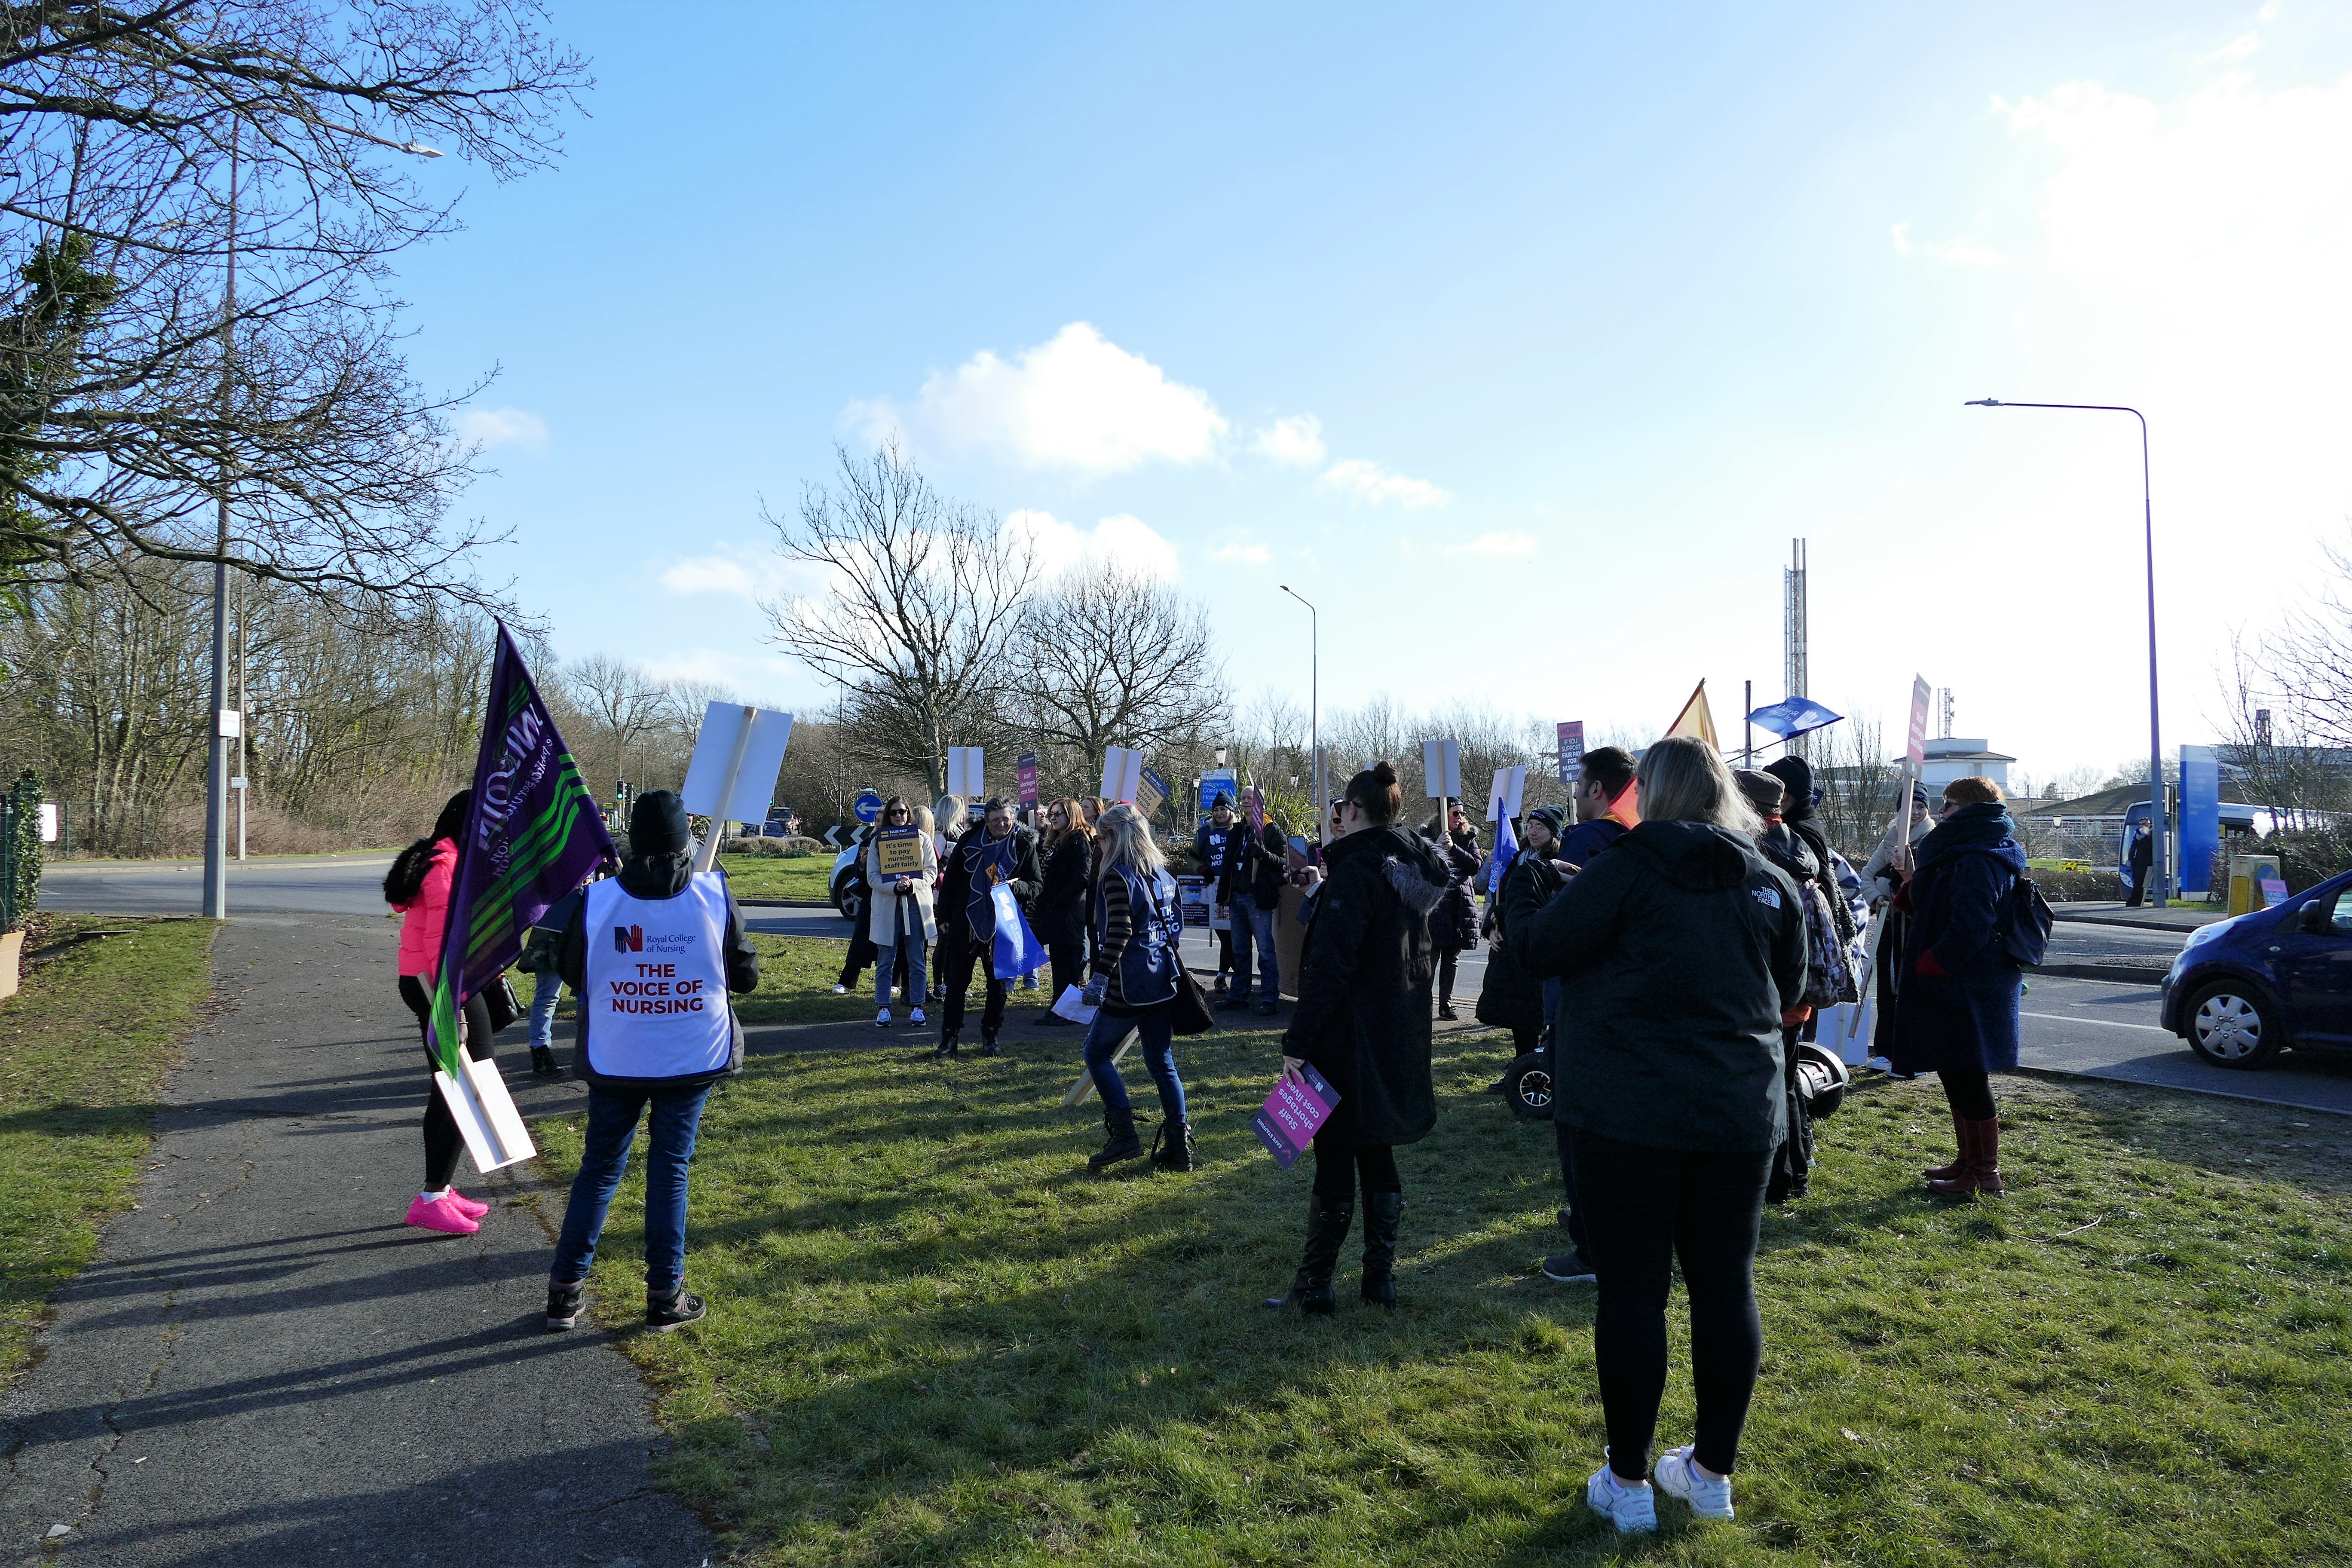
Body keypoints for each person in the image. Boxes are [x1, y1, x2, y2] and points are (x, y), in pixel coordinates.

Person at [1509, 736, 1806, 1533]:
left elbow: (1539, 947)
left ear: (1651, 794)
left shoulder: (1626, 867)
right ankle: (1709, 1471)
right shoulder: (1769, 878)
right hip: (1736, 1113)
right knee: (1723, 1285)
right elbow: (1792, 986)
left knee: (1634, 1293)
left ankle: (1630, 1478)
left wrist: (1532, 894)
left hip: (1627, 1113)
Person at [546, 790, 761, 1333]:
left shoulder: (596, 901)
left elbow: (573, 973)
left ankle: (564, 1296)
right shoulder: (715, 895)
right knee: (670, 1170)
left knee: (598, 1171)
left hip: (618, 1053)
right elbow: (746, 977)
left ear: (632, 841)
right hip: (689, 1054)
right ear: (684, 842)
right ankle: (665, 1296)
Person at [1266, 761, 1451, 1315]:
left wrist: (1297, 1044)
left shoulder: (1360, 870)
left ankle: (1317, 1285)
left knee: (1337, 1154)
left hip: (1348, 1037)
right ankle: (1379, 1281)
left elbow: (1331, 968)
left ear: (1354, 811)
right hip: (1395, 1033)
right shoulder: (1407, 870)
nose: (1337, 821)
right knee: (1376, 1150)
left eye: (1341, 811)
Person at [1891, 777, 2027, 1197]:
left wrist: (1934, 962)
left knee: (1969, 1076)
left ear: (1966, 809)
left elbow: (1972, 923)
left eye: (1948, 804)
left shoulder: (1981, 853)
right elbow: (1940, 901)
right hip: (1957, 982)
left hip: (1969, 983)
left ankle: (1986, 1175)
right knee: (1954, 1070)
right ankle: (1967, 1162)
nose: (1942, 812)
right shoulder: (1965, 847)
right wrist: (1911, 879)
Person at [384, 790, 499, 1237]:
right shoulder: (447, 866)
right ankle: (431, 1198)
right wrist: (451, 1010)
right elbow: (441, 945)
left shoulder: (442, 857)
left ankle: (442, 1190)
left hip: (435, 985)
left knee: (454, 1086)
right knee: (462, 1086)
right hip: (442, 988)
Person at [1079, 804, 1195, 1172]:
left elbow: (1118, 932)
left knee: (1097, 1054)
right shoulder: (1162, 874)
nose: (1098, 845)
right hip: (1164, 979)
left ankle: (1125, 1136)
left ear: (1115, 837)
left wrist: (1099, 978)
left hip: (1128, 982)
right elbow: (1175, 928)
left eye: (1100, 838)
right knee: (1162, 1062)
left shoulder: (1117, 876)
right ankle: (1179, 1145)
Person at [1736, 769, 1828, 1205]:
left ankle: (1783, 1180)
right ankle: (1797, 1169)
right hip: (1793, 991)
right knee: (1786, 1082)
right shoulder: (1796, 844)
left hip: (1771, 993)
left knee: (1776, 1087)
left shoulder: (1761, 853)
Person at [935, 795, 1044, 1057]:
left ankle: (991, 1036)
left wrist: (1014, 887)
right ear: (986, 820)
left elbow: (1037, 885)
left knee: (998, 986)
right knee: (957, 983)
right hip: (967, 921)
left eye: (1006, 819)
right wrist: (944, 916)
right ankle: (949, 1039)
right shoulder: (970, 840)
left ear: (1013, 818)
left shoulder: (1023, 844)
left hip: (1003, 925)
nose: (1001, 825)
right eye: (995, 821)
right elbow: (951, 882)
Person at [1475, 803, 1571, 1083]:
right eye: (1530, 826)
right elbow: (1504, 900)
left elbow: (1537, 903)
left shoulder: (1558, 862)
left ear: (1554, 832)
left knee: (1538, 1015)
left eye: (1540, 827)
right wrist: (1491, 926)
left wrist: (1502, 916)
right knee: (1518, 1015)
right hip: (1512, 947)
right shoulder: (1519, 858)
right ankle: (1521, 1067)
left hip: (1538, 943)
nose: (1532, 831)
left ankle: (1536, 1071)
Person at [1862, 783, 1935, 1072]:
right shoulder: (1892, 836)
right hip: (1890, 924)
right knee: (1887, 987)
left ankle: (1915, 1053)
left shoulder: (1931, 839)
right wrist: (1877, 897)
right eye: (1909, 807)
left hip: (1917, 927)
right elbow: (1867, 874)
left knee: (1912, 990)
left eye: (1920, 807)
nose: (1915, 813)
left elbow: (1926, 885)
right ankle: (1886, 1050)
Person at [866, 796, 937, 1028]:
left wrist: (913, 885)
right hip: (888, 906)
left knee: (917, 959)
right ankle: (883, 1008)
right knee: (886, 960)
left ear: (909, 814)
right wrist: (894, 888)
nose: (899, 816)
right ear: (888, 815)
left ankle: (917, 1007)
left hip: (916, 905)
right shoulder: (878, 841)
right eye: (894, 813)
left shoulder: (922, 839)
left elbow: (931, 872)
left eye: (903, 812)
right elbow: (873, 877)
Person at [518, 872, 590, 1078]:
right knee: (548, 996)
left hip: (581, 926)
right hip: (552, 926)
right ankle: (540, 1051)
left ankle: (584, 1051)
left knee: (584, 994)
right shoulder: (556, 849)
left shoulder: (592, 851)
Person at [1032, 797, 1094, 1025]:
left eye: (1059, 814)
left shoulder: (1079, 841)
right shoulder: (1056, 840)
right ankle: (1057, 1008)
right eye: (1052, 814)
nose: (1054, 818)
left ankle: (1067, 1011)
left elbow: (1082, 878)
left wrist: (1058, 901)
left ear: (1072, 816)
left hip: (1069, 912)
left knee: (1069, 964)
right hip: (1055, 911)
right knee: (1058, 962)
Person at [1223, 810, 1289, 1017]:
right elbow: (1227, 864)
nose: (1246, 803)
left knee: (1266, 951)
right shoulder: (1238, 830)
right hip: (1237, 897)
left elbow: (1284, 862)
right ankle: (1239, 995)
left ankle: (1269, 998)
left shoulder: (1271, 830)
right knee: (1240, 950)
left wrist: (1263, 854)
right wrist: (1222, 897)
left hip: (1258, 899)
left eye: (1250, 799)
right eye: (1243, 799)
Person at [1423, 801, 1480, 1022]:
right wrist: (1437, 848)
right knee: (1430, 959)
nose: (1460, 817)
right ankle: (1425, 1003)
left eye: (1462, 813)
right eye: (1455, 813)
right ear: (1444, 815)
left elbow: (1475, 866)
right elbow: (1422, 864)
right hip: (1437, 906)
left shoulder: (1468, 837)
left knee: (1451, 959)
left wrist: (1454, 849)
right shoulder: (1427, 835)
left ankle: (1446, 1004)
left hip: (1458, 908)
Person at [1195, 794, 1244, 993]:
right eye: (1216, 810)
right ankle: (1232, 976)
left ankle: (1225, 977)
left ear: (1231, 811)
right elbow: (1192, 857)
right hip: (1215, 891)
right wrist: (1202, 870)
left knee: (1236, 937)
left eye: (1223, 809)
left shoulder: (1241, 831)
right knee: (1225, 937)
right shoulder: (1205, 832)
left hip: (1238, 890)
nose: (1219, 813)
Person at [2124, 821, 2154, 908]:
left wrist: (2141, 840)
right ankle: (2134, 902)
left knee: (2140, 885)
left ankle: (2134, 902)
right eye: (2141, 824)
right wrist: (2131, 860)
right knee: (2138, 884)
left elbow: (2150, 848)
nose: (2142, 826)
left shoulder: (2151, 835)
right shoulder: (2137, 834)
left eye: (2145, 824)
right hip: (2137, 864)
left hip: (2146, 865)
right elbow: (2133, 849)